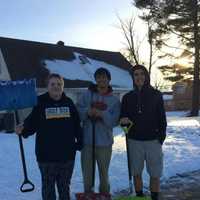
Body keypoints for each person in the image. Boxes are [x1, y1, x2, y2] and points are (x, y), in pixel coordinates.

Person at [15, 73, 83, 200]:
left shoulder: (69, 103)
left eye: (59, 84)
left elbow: (76, 125)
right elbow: (31, 123)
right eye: (53, 84)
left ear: (63, 87)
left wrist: (80, 142)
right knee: (48, 190)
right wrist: (23, 129)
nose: (56, 86)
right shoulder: (40, 103)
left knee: (64, 189)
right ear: (47, 86)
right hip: (46, 158)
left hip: (66, 156)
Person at [120, 64, 167, 200]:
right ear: (133, 78)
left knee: (155, 173)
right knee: (136, 173)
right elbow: (123, 119)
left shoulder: (156, 95)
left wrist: (161, 137)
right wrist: (123, 120)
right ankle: (140, 197)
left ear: (146, 76)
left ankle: (154, 197)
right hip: (134, 141)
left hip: (153, 141)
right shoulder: (127, 98)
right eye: (136, 74)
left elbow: (162, 118)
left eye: (142, 74)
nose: (139, 77)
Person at [77, 67, 120, 194]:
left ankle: (104, 194)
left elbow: (114, 121)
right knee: (87, 174)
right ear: (95, 79)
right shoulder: (87, 95)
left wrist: (102, 114)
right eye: (99, 77)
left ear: (109, 80)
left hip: (105, 144)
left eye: (104, 77)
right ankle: (88, 194)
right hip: (87, 143)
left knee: (104, 174)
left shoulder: (114, 101)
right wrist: (88, 112)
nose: (101, 79)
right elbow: (77, 111)